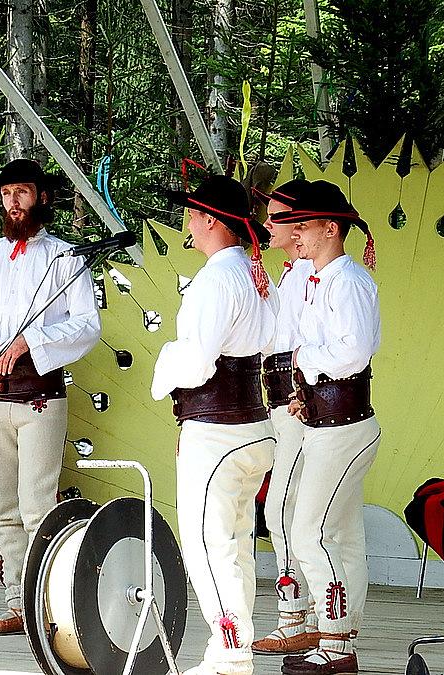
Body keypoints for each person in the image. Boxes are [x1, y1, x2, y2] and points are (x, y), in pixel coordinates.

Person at [0, 158, 101, 635]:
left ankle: (48, 606)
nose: (13, 201)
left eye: (22, 192)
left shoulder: (65, 257)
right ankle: (18, 603)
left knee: (37, 505)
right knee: (4, 510)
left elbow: (87, 325)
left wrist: (30, 341)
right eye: (6, 193)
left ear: (42, 197)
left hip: (40, 397)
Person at [151, 174, 278, 675]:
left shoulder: (216, 279)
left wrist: (165, 365)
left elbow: (198, 361)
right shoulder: (253, 274)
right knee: (236, 543)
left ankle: (230, 653)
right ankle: (234, 646)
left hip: (218, 429)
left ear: (209, 220)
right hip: (251, 425)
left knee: (209, 545)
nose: (188, 221)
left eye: (192, 213)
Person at [272, 181, 380, 675]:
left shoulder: (347, 281)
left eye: (304, 225)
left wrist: (302, 359)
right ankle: (339, 632)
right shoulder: (320, 280)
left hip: (343, 426)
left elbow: (353, 353)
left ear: (330, 229)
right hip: (328, 421)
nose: (295, 232)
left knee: (309, 530)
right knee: (335, 531)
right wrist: (303, 391)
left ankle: (336, 642)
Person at [250, 180, 320, 656]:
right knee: (288, 510)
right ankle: (306, 615)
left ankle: (299, 616)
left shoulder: (313, 276)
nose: (268, 224)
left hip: (298, 406)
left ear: (298, 225)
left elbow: (308, 345)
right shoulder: (293, 275)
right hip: (282, 406)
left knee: (282, 509)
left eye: (276, 217)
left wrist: (301, 392)